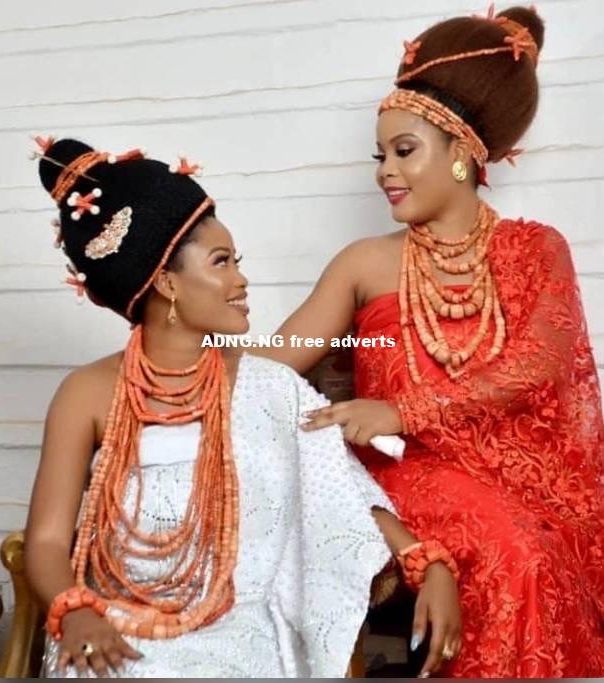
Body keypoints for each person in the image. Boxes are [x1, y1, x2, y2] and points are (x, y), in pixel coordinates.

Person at [24, 137, 461, 678]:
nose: (241, 279)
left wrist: (427, 563)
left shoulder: (270, 386)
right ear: (167, 282)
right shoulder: (85, 394)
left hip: (241, 634)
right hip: (112, 631)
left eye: (237, 261)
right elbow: (46, 540)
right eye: (222, 262)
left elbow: (339, 489)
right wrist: (74, 611)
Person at [257, 5, 604, 678]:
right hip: (401, 474)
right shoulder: (364, 262)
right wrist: (178, 345)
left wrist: (403, 407)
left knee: (541, 540)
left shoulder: (538, 250)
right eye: (380, 154)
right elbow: (275, 361)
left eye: (404, 150)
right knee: (517, 549)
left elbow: (539, 365)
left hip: (520, 476)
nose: (384, 171)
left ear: (462, 154)